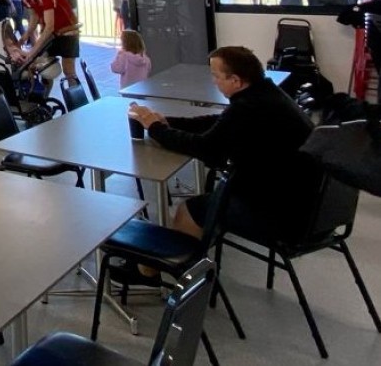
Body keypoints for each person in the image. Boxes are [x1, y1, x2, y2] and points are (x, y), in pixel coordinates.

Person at [129, 46, 316, 241]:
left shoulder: (249, 107)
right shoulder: (266, 94)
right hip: (303, 199)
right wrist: (169, 122)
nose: (214, 81)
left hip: (280, 212)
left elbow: (205, 148)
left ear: (235, 80)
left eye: (216, 76)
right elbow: (220, 123)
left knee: (188, 210)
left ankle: (186, 267)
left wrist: (155, 129)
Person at [13, 0, 80, 84]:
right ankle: (43, 98)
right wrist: (24, 37)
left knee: (68, 70)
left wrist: (33, 51)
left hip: (67, 30)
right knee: (45, 70)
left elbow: (49, 26)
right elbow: (33, 17)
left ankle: (77, 99)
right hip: (52, 34)